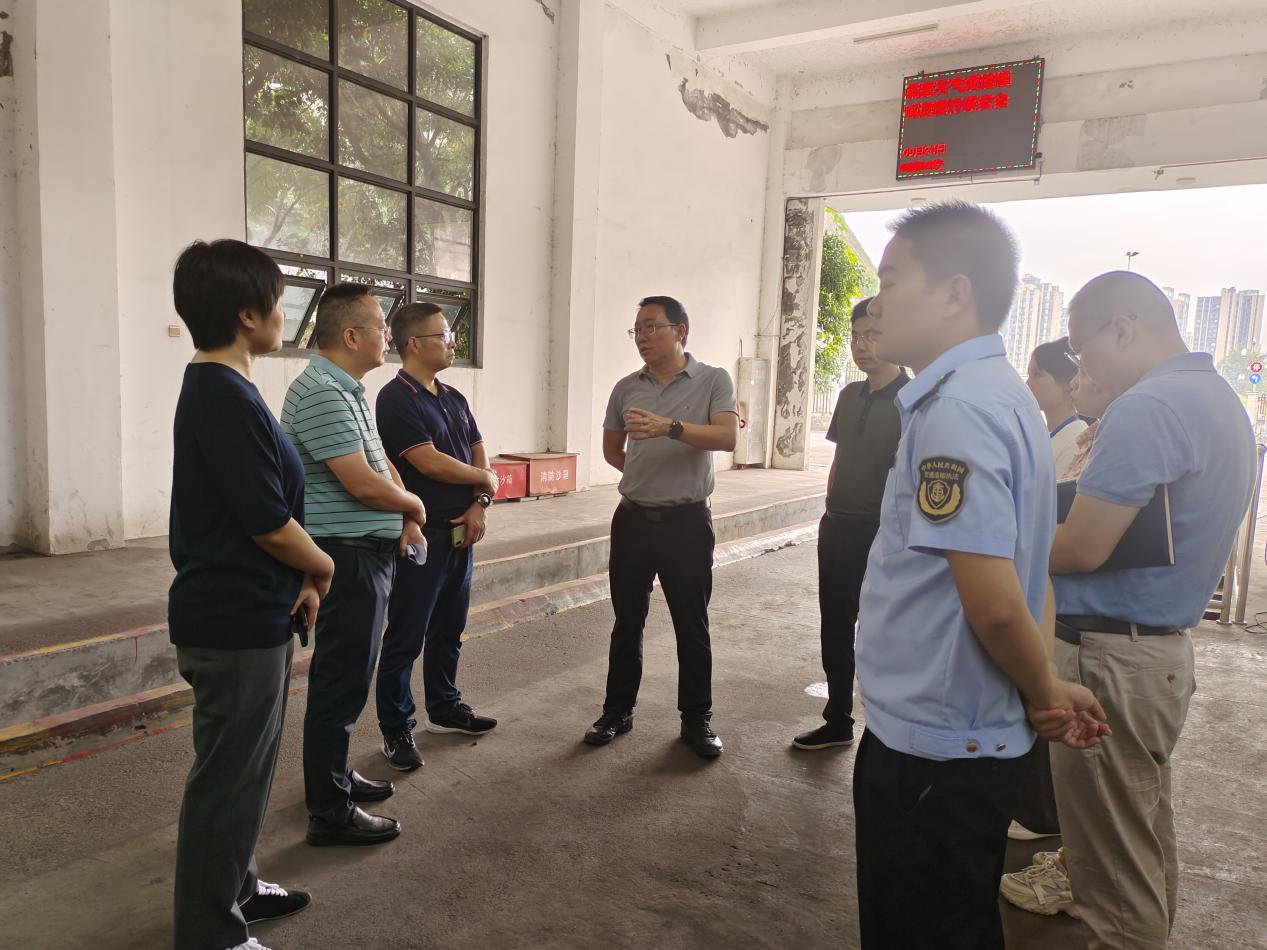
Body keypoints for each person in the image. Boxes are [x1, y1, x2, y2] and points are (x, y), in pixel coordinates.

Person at [849, 201, 1107, 950]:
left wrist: (1043, 692)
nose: (876, 304)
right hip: (968, 734)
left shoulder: (956, 411)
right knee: (958, 921)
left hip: (932, 744)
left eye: (891, 281)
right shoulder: (1005, 397)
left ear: (953, 293)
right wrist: (1039, 688)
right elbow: (1034, 576)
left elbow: (994, 604)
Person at [1007, 271, 1256, 947]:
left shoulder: (1148, 407)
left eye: (1081, 350)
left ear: (1120, 328)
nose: (1081, 369)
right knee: (1137, 849)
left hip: (1108, 660)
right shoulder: (1215, 397)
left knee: (1110, 885)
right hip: (1153, 654)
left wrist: (992, 540)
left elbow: (1081, 549)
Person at [168, 239, 334, 950]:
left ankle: (236, 886)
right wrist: (322, 567)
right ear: (246, 314)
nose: (283, 315)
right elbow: (266, 521)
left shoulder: (227, 387)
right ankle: (211, 933)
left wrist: (300, 576)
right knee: (227, 782)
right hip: (232, 619)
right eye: (278, 302)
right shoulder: (222, 395)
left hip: (251, 611)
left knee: (247, 771)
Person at [281, 283, 428, 847]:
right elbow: (361, 483)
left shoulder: (347, 391)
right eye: (381, 327)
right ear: (350, 335)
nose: (389, 336)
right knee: (339, 682)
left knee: (348, 678)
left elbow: (380, 462)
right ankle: (329, 811)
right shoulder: (322, 392)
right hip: (346, 555)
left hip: (367, 551)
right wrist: (415, 506)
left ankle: (335, 779)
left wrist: (404, 513)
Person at [584, 295, 739, 758]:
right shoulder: (626, 388)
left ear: (680, 331)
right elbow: (612, 449)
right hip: (633, 520)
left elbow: (726, 437)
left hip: (687, 524)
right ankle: (617, 711)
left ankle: (696, 719)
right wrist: (643, 477)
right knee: (626, 621)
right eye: (637, 330)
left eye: (652, 327)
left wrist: (670, 427)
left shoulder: (713, 380)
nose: (642, 337)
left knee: (691, 624)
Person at [374, 303, 499, 771]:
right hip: (421, 534)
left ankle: (444, 708)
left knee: (449, 629)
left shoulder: (453, 397)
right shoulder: (396, 399)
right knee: (406, 635)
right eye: (444, 335)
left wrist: (480, 502)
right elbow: (426, 462)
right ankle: (396, 727)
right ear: (413, 344)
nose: (452, 342)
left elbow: (478, 450)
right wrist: (484, 479)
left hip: (462, 530)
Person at [793, 297, 908, 751]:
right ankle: (838, 719)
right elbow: (841, 455)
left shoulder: (912, 400)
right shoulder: (848, 394)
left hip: (884, 532)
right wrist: (830, 506)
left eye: (872, 336)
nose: (862, 345)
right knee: (835, 625)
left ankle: (886, 731)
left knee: (880, 630)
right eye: (856, 337)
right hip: (838, 526)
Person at [1027, 337, 1088, 476]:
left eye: (1037, 375)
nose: (1028, 384)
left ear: (1069, 382)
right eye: (1029, 375)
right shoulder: (1045, 435)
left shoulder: (1076, 440)